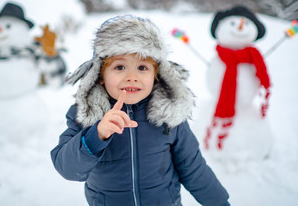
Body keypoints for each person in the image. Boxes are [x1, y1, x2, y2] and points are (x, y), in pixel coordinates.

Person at [51, 15, 230, 206]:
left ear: (157, 75)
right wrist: (96, 135)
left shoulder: (169, 115)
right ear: (100, 75)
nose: (132, 77)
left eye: (142, 67)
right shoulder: (86, 114)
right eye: (120, 66)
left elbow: (193, 168)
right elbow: (68, 169)